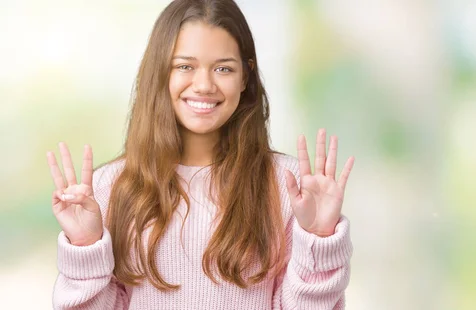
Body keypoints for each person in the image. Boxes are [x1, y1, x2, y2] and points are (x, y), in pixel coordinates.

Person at [46, 0, 354, 309]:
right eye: (185, 66)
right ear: (160, 72)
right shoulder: (109, 189)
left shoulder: (289, 188)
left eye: (223, 68)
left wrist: (319, 239)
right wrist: (85, 248)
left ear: (245, 76)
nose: (204, 85)